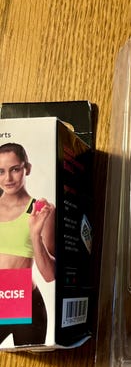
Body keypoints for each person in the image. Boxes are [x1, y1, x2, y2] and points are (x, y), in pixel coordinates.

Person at [0, 142, 55, 345]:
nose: (8, 178)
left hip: (26, 303)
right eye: (1, 171)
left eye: (15, 169)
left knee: (31, 362)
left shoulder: (41, 211)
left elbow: (49, 275)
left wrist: (35, 234)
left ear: (27, 168)